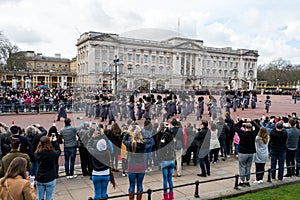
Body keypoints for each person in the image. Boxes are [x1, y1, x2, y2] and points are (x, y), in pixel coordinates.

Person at [87, 128, 115, 200]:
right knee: (104, 193)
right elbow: (108, 144)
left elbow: (89, 146)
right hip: (105, 173)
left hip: (96, 174)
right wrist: (103, 135)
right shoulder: (107, 151)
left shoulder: (94, 152)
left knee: (97, 193)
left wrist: (93, 137)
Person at [233, 119, 260, 187]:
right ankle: (247, 180)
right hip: (251, 152)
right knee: (248, 167)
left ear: (245, 128)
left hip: (242, 152)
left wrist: (241, 121)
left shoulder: (242, 133)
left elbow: (235, 127)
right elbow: (258, 128)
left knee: (242, 166)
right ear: (251, 128)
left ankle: (242, 181)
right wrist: (252, 122)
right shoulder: (253, 134)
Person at [123, 125, 146, 200]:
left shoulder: (130, 144)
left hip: (132, 166)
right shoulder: (143, 144)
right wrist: (141, 131)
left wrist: (128, 132)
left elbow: (124, 140)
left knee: (132, 185)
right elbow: (148, 139)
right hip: (141, 166)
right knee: (140, 184)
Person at [35, 136, 60, 200]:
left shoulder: (37, 153)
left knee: (40, 197)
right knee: (49, 197)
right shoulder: (52, 153)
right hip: (50, 177)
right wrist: (55, 142)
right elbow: (58, 151)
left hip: (40, 177)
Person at [157, 122, 176, 200]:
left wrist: (159, 159)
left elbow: (160, 148)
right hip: (171, 159)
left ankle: (165, 196)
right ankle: (171, 196)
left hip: (165, 160)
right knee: (170, 179)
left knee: (165, 179)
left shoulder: (164, 138)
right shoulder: (172, 137)